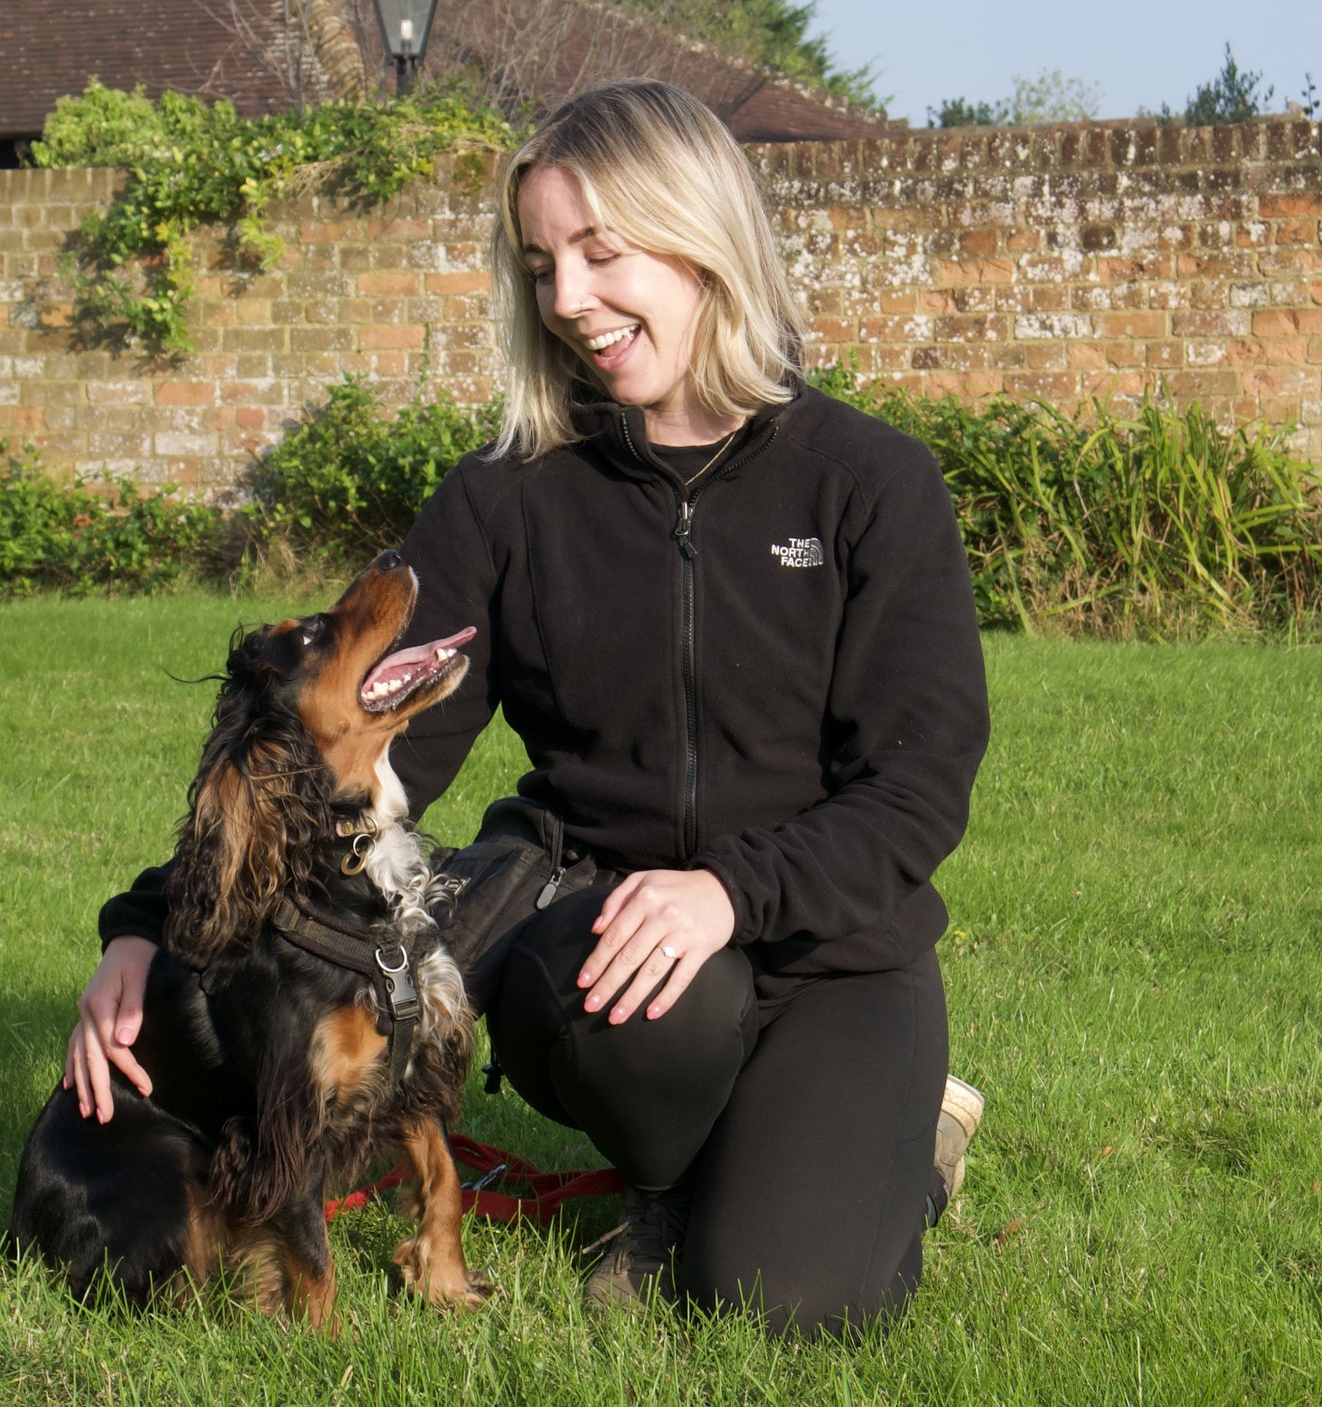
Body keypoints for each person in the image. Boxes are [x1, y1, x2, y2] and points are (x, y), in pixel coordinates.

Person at [66, 78, 990, 1339]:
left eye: (601, 254)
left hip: (835, 947)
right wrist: (144, 928)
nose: (566, 301)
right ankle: (660, 1185)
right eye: (542, 263)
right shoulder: (511, 494)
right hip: (595, 932)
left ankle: (898, 1131)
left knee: (792, 1307)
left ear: (703, 233)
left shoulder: (870, 484)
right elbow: (340, 734)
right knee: (637, 1008)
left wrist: (730, 889)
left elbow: (918, 784)